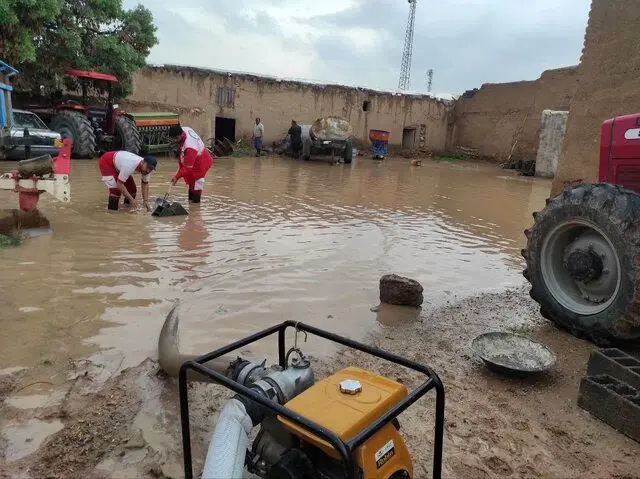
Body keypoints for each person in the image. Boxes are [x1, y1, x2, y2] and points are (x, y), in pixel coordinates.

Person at [168, 124, 214, 203]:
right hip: (195, 157)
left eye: (176, 138)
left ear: (181, 134)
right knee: (190, 181)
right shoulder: (185, 129)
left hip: (201, 162)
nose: (175, 140)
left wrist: (176, 177)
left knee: (197, 183)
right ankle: (191, 204)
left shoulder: (190, 147)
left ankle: (195, 208)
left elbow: (187, 168)